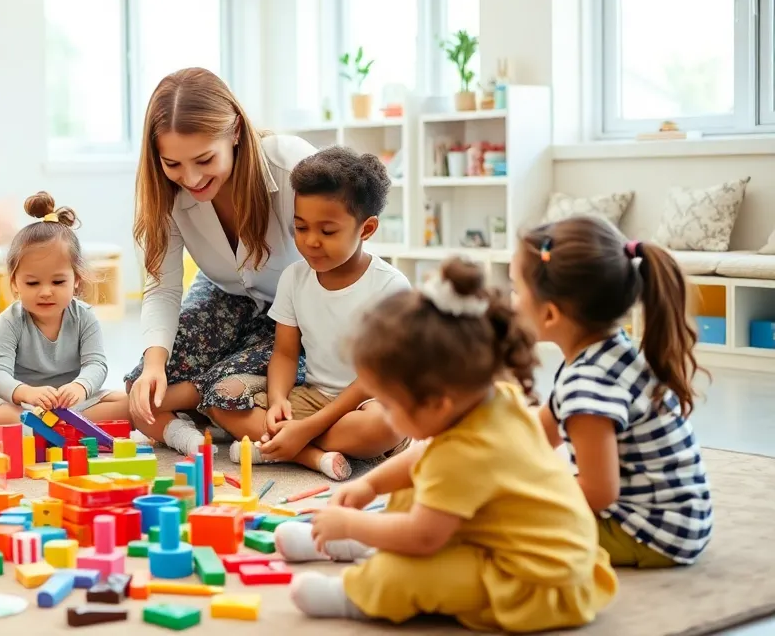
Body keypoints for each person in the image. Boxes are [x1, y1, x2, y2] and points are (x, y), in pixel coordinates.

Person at [275, 259, 617, 631]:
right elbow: (424, 456)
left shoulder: (464, 456)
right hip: (524, 544)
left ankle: (357, 591)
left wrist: (353, 524)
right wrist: (370, 484)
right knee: (415, 486)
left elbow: (422, 538)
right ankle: (354, 541)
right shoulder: (496, 398)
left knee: (415, 571)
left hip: (537, 581)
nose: (386, 417)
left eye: (390, 406)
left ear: (438, 403)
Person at [127, 67, 316, 455]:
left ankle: (199, 411)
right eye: (173, 164)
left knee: (222, 387)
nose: (191, 178)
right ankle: (197, 412)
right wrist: (153, 365)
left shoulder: (291, 165)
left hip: (299, 312)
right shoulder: (167, 194)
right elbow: (162, 288)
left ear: (234, 133)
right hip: (225, 295)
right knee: (144, 381)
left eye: (203, 159)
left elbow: (343, 250)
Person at [514, 216, 712, 567]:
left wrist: (526, 496)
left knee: (506, 525)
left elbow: (598, 492)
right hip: (682, 520)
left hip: (650, 532)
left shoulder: (588, 383)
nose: (511, 301)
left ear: (549, 314)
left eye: (517, 290)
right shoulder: (607, 350)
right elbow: (537, 433)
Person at [205, 146, 410, 479]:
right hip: (314, 396)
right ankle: (312, 456)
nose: (311, 242)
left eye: (327, 232)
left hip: (368, 401)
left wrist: (307, 427)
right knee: (221, 397)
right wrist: (276, 401)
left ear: (367, 229)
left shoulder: (390, 287)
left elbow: (375, 378)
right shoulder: (295, 278)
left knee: (384, 425)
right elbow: (285, 354)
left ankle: (287, 444)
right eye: (301, 228)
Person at [0, 193, 129, 443]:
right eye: (32, 282)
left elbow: (96, 364)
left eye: (58, 281)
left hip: (74, 406)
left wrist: (80, 387)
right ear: (15, 283)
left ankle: (22, 436)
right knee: (2, 416)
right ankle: (59, 434)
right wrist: (26, 392)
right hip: (29, 407)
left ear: (77, 280)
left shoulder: (85, 317)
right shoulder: (11, 320)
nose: (46, 291)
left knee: (127, 404)